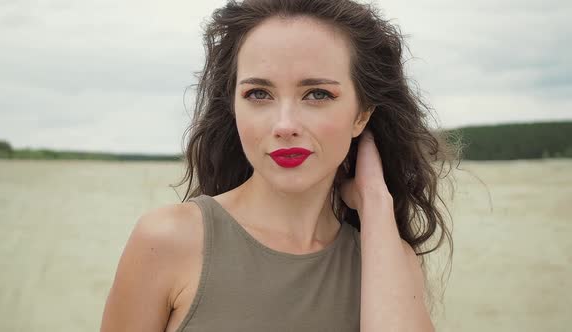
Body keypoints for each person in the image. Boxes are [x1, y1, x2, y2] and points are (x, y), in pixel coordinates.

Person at [100, 0, 458, 331]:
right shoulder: (167, 240)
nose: (285, 124)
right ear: (233, 108)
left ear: (361, 115)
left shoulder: (390, 261)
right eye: (259, 94)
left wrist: (376, 202)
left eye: (317, 94)